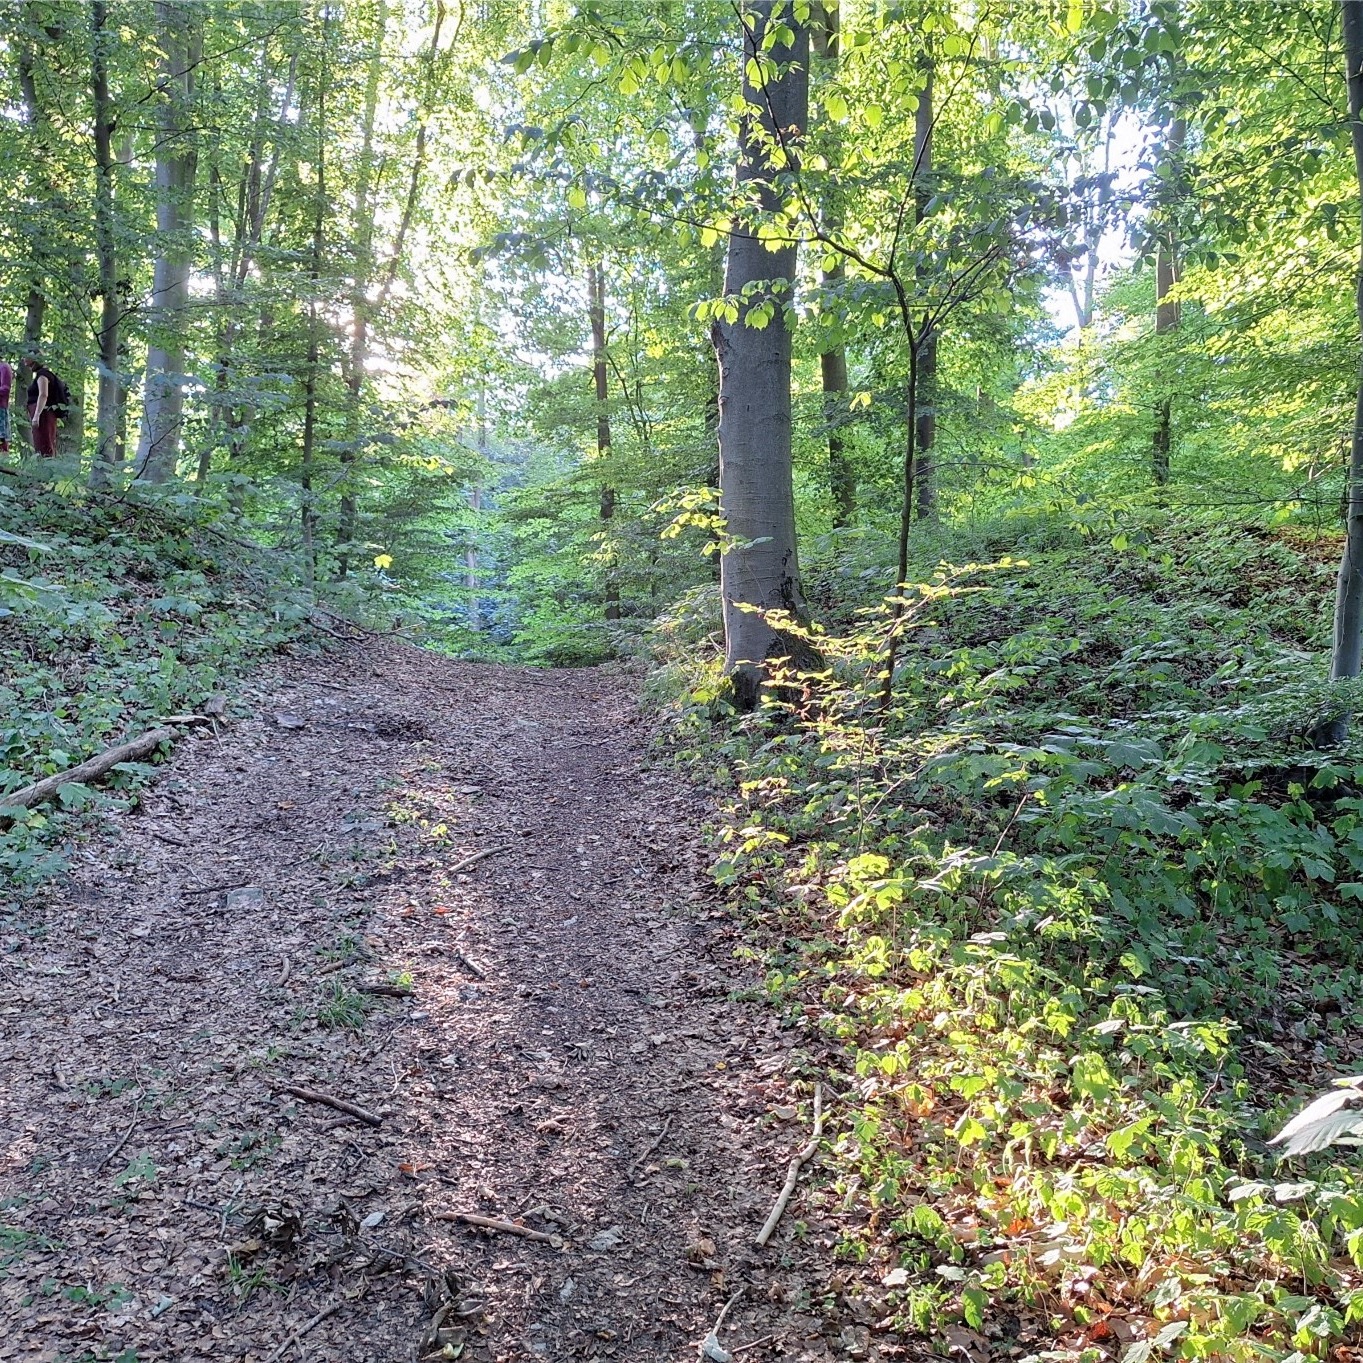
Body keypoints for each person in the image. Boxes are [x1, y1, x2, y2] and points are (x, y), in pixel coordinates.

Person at [26, 361, 64, 457]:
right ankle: (44, 462)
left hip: (43, 415)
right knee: (43, 443)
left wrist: (36, 415)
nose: (24, 359)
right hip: (43, 413)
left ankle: (46, 463)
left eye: (26, 357)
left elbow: (43, 394)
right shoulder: (43, 374)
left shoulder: (43, 374)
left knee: (44, 443)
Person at [0, 360, 11, 455]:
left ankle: (3, 460)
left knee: (1, 439)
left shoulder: (4, 367)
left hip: (0, 408)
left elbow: (5, 389)